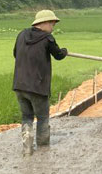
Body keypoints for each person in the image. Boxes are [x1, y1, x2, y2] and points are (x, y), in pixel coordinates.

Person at [13, 10, 67, 155]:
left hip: (20, 85)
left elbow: (15, 54)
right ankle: (43, 149)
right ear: (44, 23)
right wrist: (64, 51)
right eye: (52, 24)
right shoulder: (47, 38)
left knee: (26, 116)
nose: (53, 27)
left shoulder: (22, 35)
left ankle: (27, 138)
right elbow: (58, 55)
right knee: (42, 117)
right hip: (38, 87)